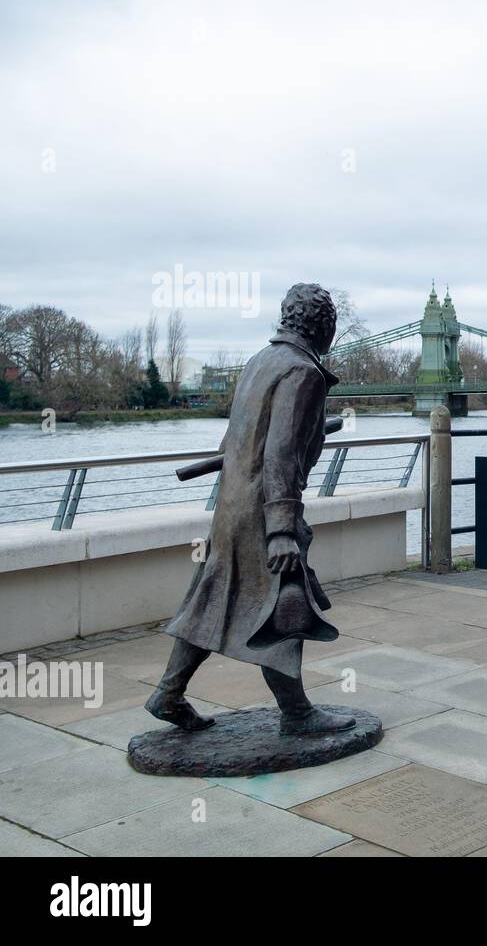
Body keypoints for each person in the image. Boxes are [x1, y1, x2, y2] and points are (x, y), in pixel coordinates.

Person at [145, 283, 355, 735]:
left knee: (214, 598)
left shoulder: (261, 361)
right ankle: (297, 713)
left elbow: (239, 440)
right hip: (265, 513)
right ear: (325, 327)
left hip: (234, 507)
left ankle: (168, 691)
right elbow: (280, 454)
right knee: (282, 608)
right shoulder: (303, 372)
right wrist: (281, 528)